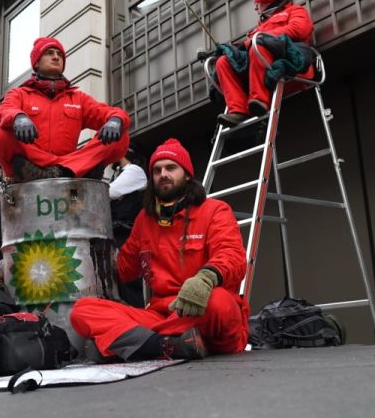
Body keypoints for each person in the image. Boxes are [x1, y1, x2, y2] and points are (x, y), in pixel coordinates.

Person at [70, 139, 249, 361]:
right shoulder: (144, 221)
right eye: (157, 170)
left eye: (171, 168)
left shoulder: (215, 210)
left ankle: (136, 343)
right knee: (83, 310)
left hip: (204, 315)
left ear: (187, 175)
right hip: (160, 315)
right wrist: (94, 242)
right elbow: (124, 270)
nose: (163, 174)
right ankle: (166, 344)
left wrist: (205, 278)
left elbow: (232, 256)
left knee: (219, 302)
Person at [0, 37, 130, 182]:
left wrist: (116, 120)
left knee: (121, 134)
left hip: (69, 162)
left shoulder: (78, 98)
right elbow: (1, 113)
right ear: (36, 62)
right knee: (3, 134)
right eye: (49, 53)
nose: (56, 57)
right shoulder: (19, 94)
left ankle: (70, 170)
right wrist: (18, 117)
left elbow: (108, 112)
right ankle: (71, 171)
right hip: (32, 162)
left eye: (60, 54)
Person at [215, 0, 315, 127]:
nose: (256, 7)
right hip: (259, 66)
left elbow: (300, 30)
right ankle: (238, 110)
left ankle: (260, 101)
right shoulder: (259, 27)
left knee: (258, 46)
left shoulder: (295, 11)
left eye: (257, 3)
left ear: (268, 0)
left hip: (289, 63)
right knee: (223, 61)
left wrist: (261, 38)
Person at [109, 146, 147, 307]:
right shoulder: (116, 175)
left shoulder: (135, 171)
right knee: (118, 283)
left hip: (128, 234)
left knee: (129, 282)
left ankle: (137, 316)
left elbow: (108, 193)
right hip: (115, 235)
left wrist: (78, 188)